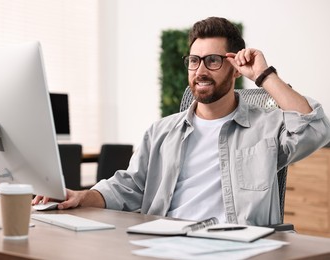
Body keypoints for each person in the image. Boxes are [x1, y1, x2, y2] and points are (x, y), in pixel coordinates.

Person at [33, 17, 330, 226]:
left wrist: (264, 76)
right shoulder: (161, 131)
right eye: (194, 60)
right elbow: (128, 186)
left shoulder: (268, 126)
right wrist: (83, 196)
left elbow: (316, 127)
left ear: (236, 68)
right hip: (163, 241)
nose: (201, 70)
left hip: (236, 248)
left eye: (213, 60)